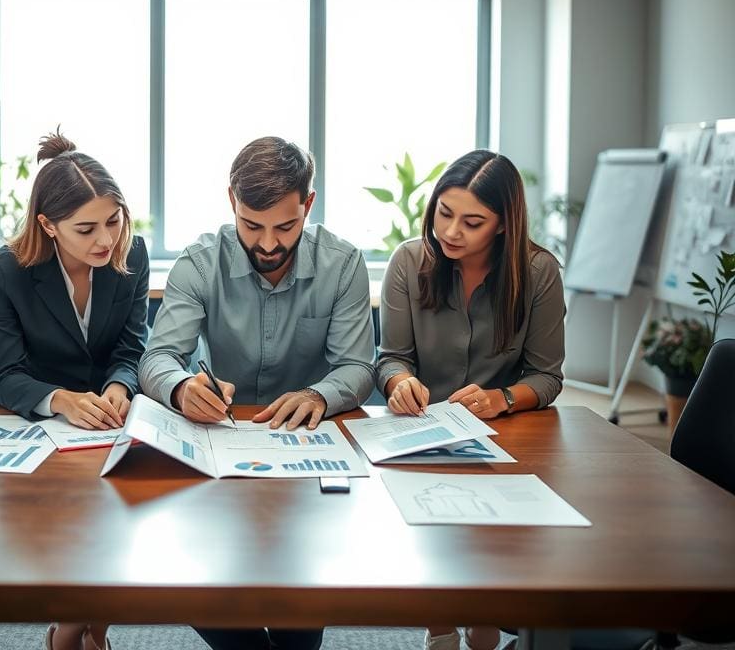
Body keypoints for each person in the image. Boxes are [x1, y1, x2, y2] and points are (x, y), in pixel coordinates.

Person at [139, 135, 376, 650]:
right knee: (193, 577)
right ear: (232, 203)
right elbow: (156, 359)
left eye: (286, 227)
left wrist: (319, 394)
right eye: (252, 226)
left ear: (308, 205)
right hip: (218, 449)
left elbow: (359, 367)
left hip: (308, 456)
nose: (268, 244)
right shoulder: (199, 262)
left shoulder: (344, 264)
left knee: (299, 609)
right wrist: (181, 388)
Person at [376, 149, 565, 650]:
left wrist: (501, 398)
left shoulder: (539, 272)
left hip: (502, 433)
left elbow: (547, 376)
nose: (452, 231)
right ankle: (439, 629)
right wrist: (398, 383)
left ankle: (483, 627)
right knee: (431, 537)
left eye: (473, 221)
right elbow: (391, 357)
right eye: (444, 213)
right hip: (419, 431)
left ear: (503, 224)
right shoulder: (409, 262)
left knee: (490, 543)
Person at [0, 129, 149, 650]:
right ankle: (81, 630)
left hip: (112, 421)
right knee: (73, 529)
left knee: (122, 517)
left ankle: (79, 629)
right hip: (46, 428)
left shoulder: (132, 255)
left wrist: (122, 386)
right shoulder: (6, 270)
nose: (105, 240)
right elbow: (6, 375)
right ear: (48, 225)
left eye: (114, 220)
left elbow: (131, 348)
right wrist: (60, 399)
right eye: (86, 229)